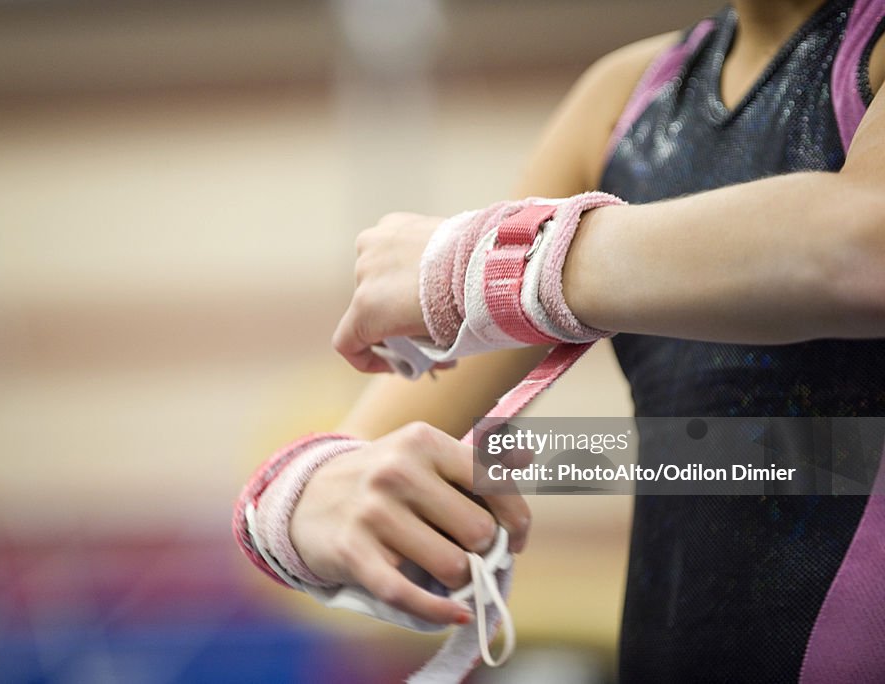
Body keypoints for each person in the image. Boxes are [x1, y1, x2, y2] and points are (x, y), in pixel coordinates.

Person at [236, 0, 885, 680]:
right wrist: (306, 499)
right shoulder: (625, 97)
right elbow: (374, 444)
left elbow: (861, 248)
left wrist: (496, 260)